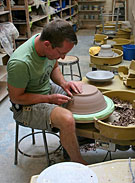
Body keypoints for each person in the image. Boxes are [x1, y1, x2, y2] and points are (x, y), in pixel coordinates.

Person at [7, 19, 87, 165]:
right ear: (47, 45)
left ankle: (72, 140)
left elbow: (54, 67)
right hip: (25, 106)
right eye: (61, 53)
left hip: (45, 89)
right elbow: (16, 97)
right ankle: (78, 162)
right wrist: (49, 99)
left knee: (82, 94)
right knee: (66, 119)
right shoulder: (20, 63)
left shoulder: (46, 45)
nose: (62, 57)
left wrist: (64, 84)